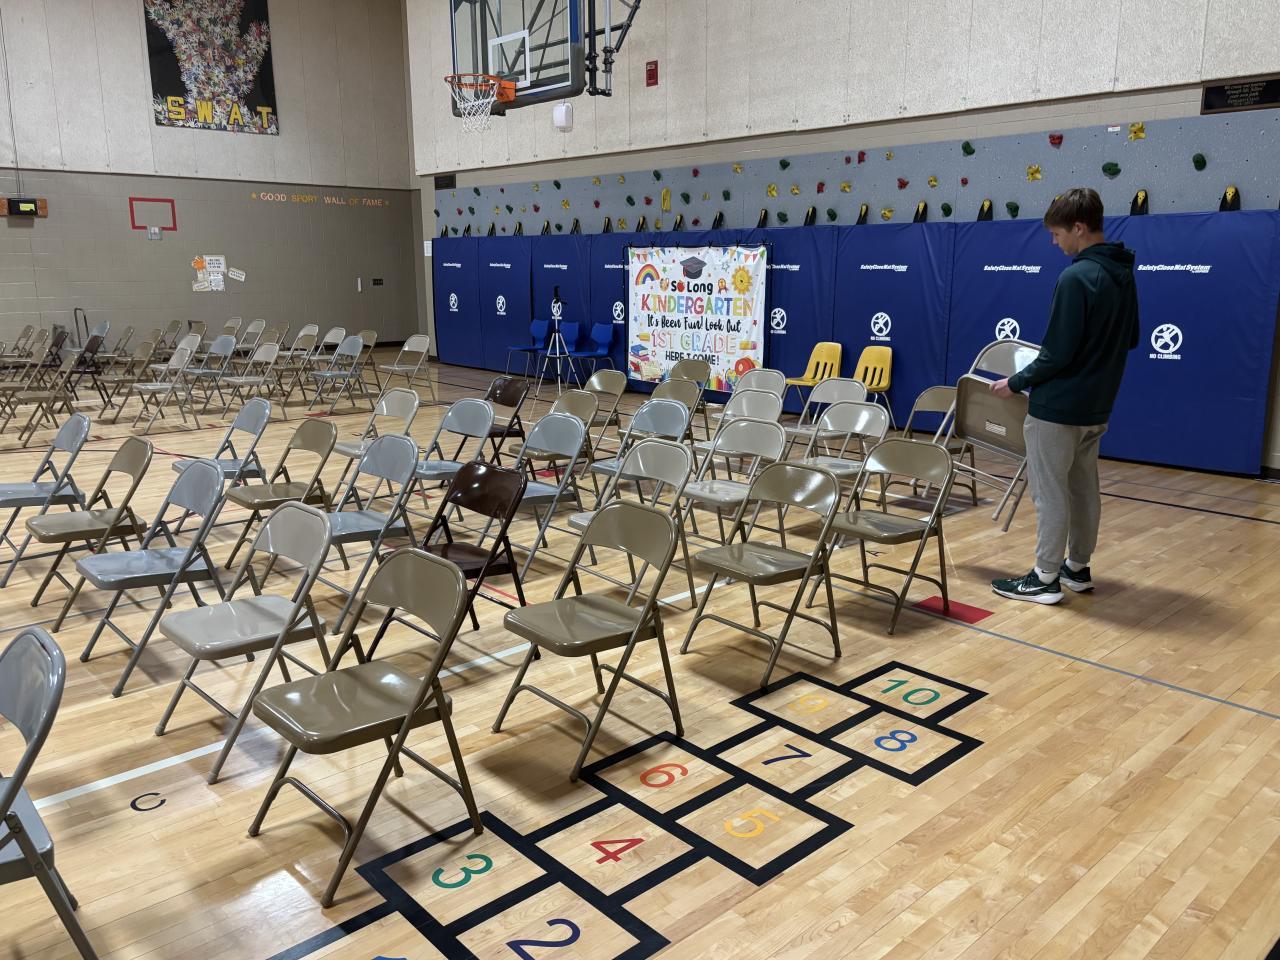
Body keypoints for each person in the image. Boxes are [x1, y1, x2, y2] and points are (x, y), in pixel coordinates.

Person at [990, 187, 1139, 604]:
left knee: (1050, 492)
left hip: (1057, 408)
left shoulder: (1076, 277)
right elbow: (1130, 339)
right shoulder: (1123, 274)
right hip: (1097, 406)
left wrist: (1015, 382)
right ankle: (1077, 567)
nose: (1055, 243)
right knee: (1083, 489)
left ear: (1078, 228)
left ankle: (1044, 577)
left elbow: (1056, 353)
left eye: (1057, 235)